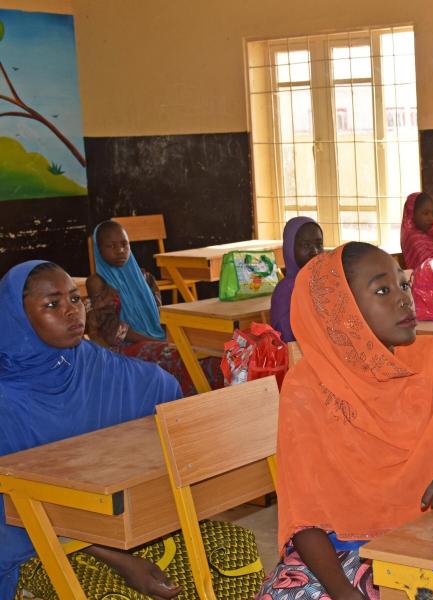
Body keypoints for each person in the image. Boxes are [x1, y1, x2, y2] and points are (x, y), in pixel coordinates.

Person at [256, 242, 433, 600]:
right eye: (382, 290)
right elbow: (304, 515)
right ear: (340, 311)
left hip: (430, 538)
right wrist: (342, 591)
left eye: (403, 285)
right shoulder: (307, 387)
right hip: (337, 554)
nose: (404, 300)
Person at [0, 261, 264, 599]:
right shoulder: (8, 402)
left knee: (235, 550)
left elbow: (160, 388)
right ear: (17, 317)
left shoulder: (98, 367)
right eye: (52, 304)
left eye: (75, 299)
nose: (71, 312)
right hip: (44, 544)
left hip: (123, 529)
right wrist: (123, 560)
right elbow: (17, 511)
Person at [86, 220, 224, 395]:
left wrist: (172, 336)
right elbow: (111, 331)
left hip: (155, 337)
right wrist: (157, 341)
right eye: (110, 246)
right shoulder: (98, 282)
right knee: (181, 357)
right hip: (123, 347)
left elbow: (159, 314)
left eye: (124, 244)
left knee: (207, 351)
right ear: (99, 249)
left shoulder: (144, 277)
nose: (120, 250)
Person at [271, 216, 324, 342]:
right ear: (290, 248)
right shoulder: (286, 290)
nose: (315, 252)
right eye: (306, 245)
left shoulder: (325, 283)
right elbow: (287, 337)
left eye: (319, 244)